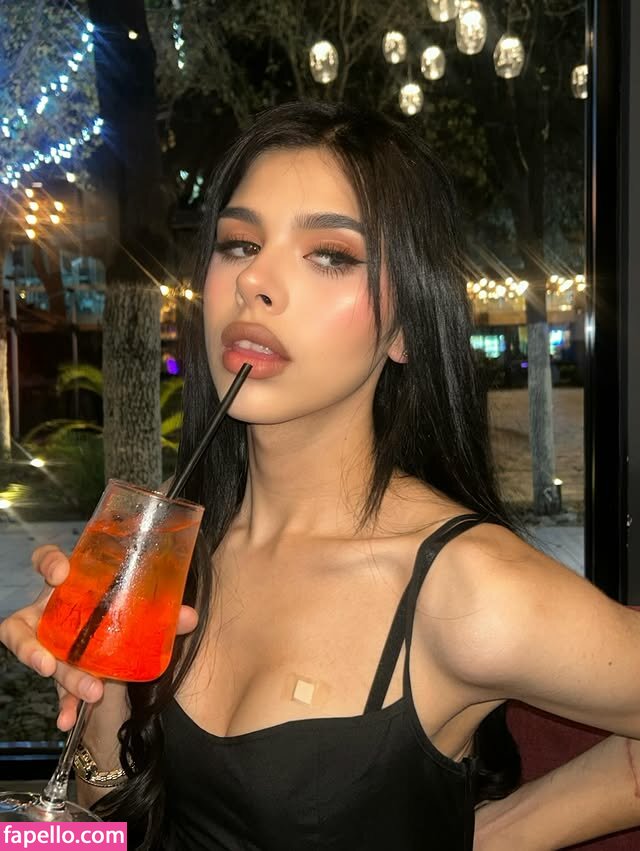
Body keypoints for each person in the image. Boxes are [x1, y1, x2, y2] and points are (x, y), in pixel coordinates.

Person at [2, 100, 640, 850]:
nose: (255, 281)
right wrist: (98, 694)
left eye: (331, 254)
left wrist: (487, 838)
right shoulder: (168, 553)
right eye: (239, 244)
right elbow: (108, 827)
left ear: (406, 327)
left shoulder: (464, 588)